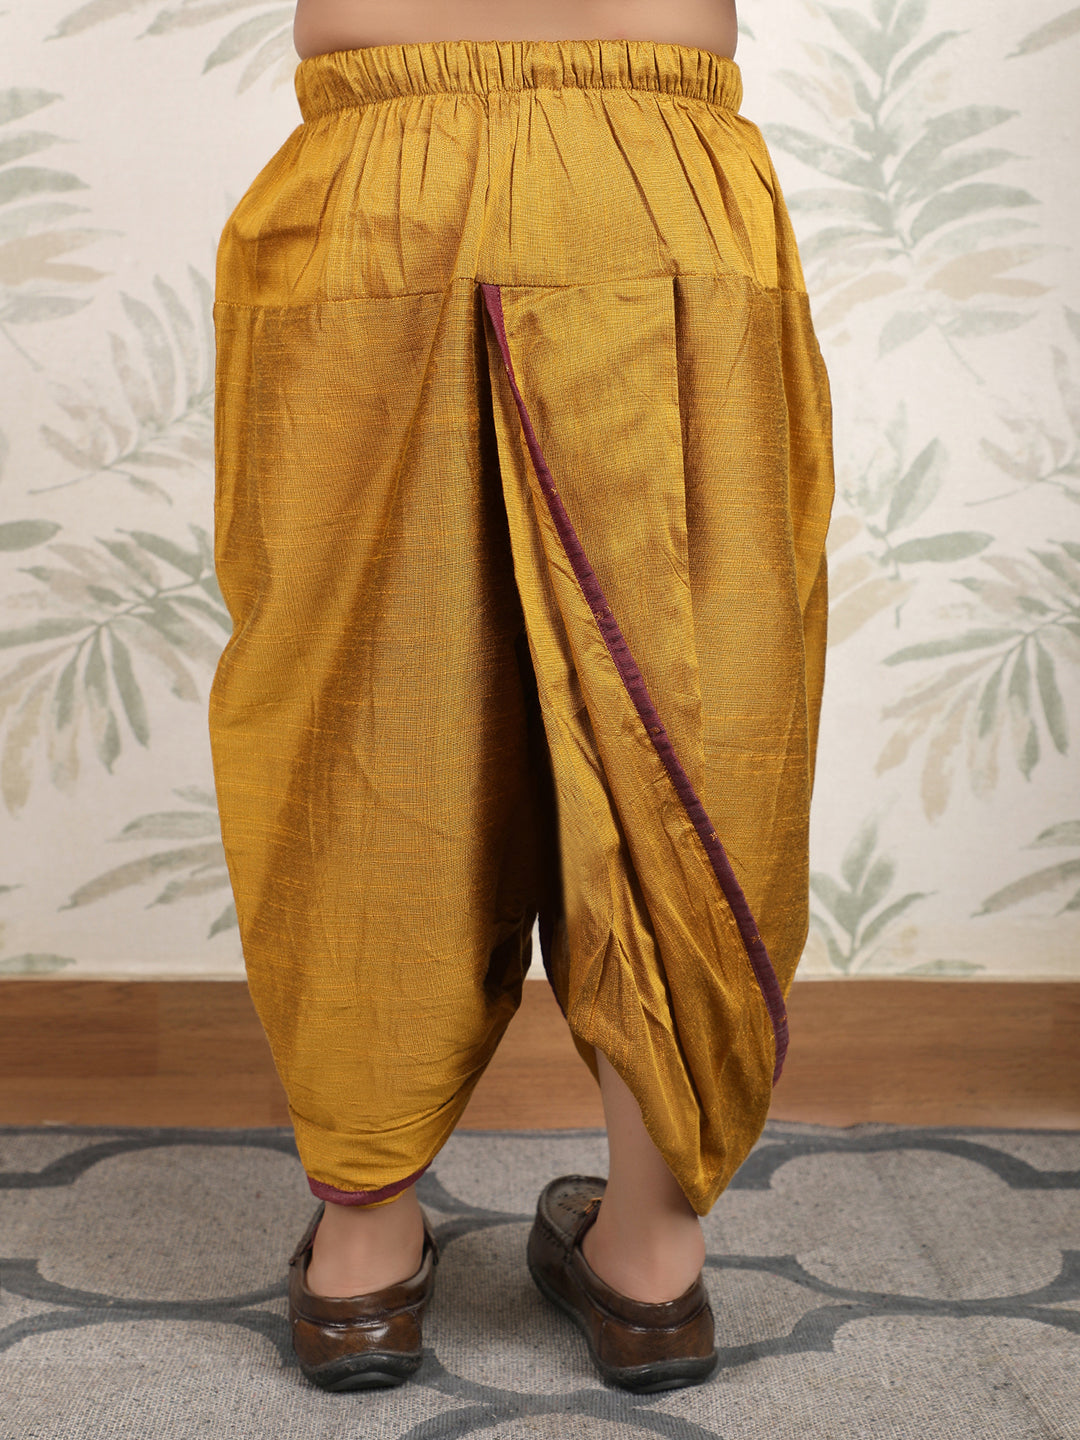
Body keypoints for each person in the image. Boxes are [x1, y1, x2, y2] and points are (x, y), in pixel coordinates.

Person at [209, 0, 834, 1395]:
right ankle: (650, 1262)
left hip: (376, 181)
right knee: (687, 704)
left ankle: (363, 1258)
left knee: (361, 702)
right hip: (655, 177)